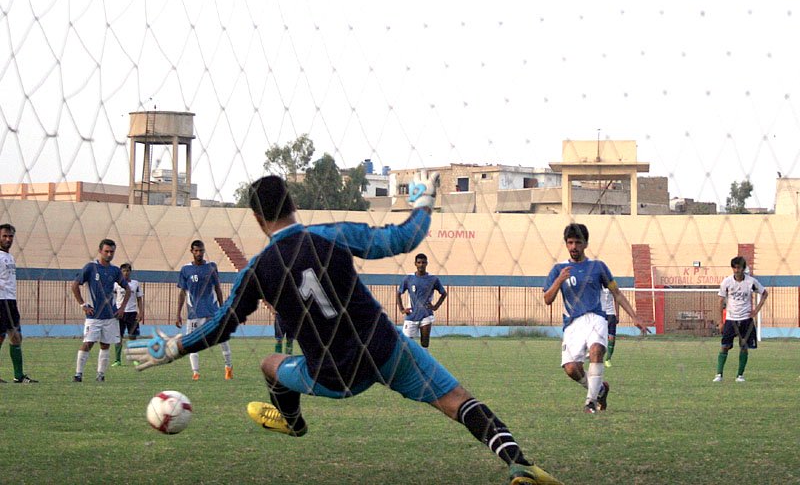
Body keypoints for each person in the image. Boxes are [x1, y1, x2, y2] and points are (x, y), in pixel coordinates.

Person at [129, 174, 561, 485]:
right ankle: (518, 464)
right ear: (293, 202)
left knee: (269, 364)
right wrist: (425, 203)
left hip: (332, 375)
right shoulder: (331, 235)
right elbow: (402, 240)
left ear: (257, 218)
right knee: (456, 400)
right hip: (386, 350)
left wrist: (173, 348)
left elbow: (222, 325)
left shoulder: (259, 270)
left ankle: (293, 423)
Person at [544, 223, 648, 414]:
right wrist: (559, 280)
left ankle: (590, 402)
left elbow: (616, 293)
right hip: (573, 324)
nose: (574, 247)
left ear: (585, 244)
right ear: (566, 244)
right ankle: (600, 389)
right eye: (570, 243)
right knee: (571, 369)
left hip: (596, 318)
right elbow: (547, 299)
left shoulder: (598, 267)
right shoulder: (558, 269)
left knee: (597, 349)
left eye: (578, 242)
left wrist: (634, 316)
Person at [71, 239, 130, 382]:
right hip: (94, 316)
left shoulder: (115, 270)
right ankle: (78, 374)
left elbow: (127, 289)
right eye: (107, 251)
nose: (109, 254)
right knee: (88, 343)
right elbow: (75, 285)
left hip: (110, 316)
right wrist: (83, 304)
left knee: (105, 344)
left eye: (112, 252)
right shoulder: (91, 267)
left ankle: (100, 375)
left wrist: (122, 308)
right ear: (100, 251)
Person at [176, 240, 233, 380]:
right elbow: (182, 292)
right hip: (194, 314)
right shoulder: (185, 270)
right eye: (196, 251)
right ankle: (195, 372)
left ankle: (228, 368)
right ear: (191, 251)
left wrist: (223, 308)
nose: (199, 253)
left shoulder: (211, 267)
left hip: (213, 312)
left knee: (223, 340)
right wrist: (178, 314)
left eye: (201, 250)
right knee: (191, 343)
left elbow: (218, 288)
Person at [712, 256, 768, 383]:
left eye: (739, 267)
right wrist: (720, 321)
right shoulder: (726, 282)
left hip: (746, 320)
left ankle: (740, 375)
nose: (737, 270)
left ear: (743, 268)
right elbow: (720, 301)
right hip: (731, 320)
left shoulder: (751, 282)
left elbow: (764, 293)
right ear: (732, 268)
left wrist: (756, 311)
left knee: (744, 347)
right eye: (735, 267)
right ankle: (719, 374)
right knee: (724, 346)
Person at [0, 224, 37, 383]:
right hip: (0, 301)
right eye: (5, 236)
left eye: (11, 236)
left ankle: (19, 376)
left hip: (11, 301)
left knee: (16, 337)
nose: (8, 239)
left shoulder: (10, 257)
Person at [396, 253, 448, 348]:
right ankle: (408, 361)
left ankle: (423, 362)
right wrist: (402, 309)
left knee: (424, 343)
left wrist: (435, 307)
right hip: (411, 315)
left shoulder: (433, 279)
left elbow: (444, 293)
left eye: (423, 262)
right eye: (419, 262)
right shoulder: (408, 278)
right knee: (406, 344)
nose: (421, 264)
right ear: (415, 264)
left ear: (426, 263)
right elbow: (399, 293)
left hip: (426, 315)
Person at [112, 263, 144, 367]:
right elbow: (112, 297)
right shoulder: (116, 284)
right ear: (120, 272)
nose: (125, 273)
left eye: (127, 271)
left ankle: (135, 359)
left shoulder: (135, 284)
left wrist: (141, 312)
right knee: (118, 337)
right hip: (119, 313)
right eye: (123, 271)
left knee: (133, 337)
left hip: (132, 313)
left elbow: (139, 299)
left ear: (130, 272)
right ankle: (117, 360)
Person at [601, 287, 619, 367]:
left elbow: (617, 299)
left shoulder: (611, 285)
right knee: (598, 336)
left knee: (612, 338)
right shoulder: (597, 284)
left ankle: (608, 359)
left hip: (611, 314)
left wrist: (617, 314)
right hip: (600, 314)